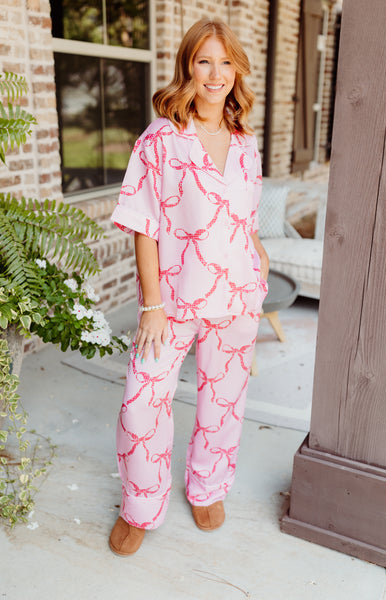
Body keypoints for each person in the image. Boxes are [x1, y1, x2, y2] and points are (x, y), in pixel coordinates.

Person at [108, 16, 269, 557]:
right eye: (204, 60)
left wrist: (259, 253)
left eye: (226, 62)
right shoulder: (161, 139)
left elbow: (244, 214)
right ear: (188, 67)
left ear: (236, 71)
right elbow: (144, 223)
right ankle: (140, 504)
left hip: (239, 293)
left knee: (224, 399)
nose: (215, 73)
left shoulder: (246, 141)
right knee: (141, 402)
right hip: (173, 300)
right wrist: (151, 304)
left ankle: (207, 486)